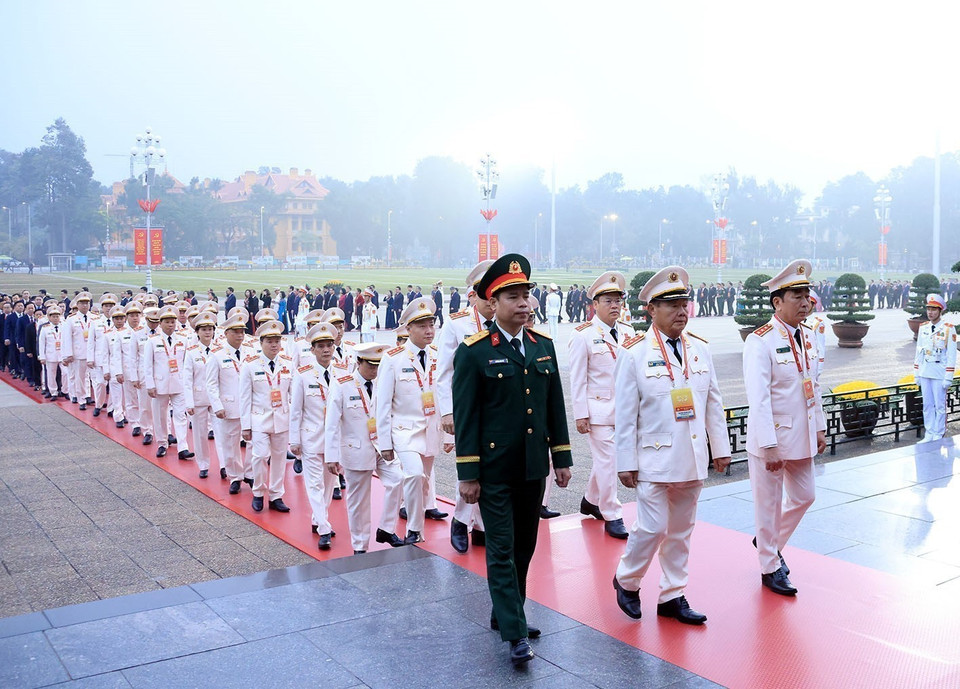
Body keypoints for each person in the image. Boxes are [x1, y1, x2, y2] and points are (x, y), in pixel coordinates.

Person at [452, 253, 573, 667]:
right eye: (514, 297)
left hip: (531, 467)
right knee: (501, 546)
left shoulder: (544, 347)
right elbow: (466, 417)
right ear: (493, 302)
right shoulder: (474, 353)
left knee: (525, 545)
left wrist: (561, 456)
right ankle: (515, 630)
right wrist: (467, 472)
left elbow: (554, 406)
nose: (525, 304)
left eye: (527, 296)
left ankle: (506, 610)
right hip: (493, 469)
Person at [611, 266, 731, 625]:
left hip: (692, 456)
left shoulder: (701, 349)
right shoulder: (633, 352)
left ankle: (672, 595)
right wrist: (624, 461)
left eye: (685, 303)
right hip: (654, 456)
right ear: (651, 309)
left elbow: (713, 401)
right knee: (652, 526)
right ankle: (627, 579)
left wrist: (720, 447)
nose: (681, 311)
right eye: (672, 304)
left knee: (680, 530)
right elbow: (625, 412)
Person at [744, 259, 827, 596]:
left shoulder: (808, 337)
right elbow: (759, 399)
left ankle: (769, 540)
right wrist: (769, 444)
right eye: (797, 295)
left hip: (803, 433)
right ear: (778, 301)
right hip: (773, 439)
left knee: (805, 496)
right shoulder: (760, 341)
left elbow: (814, 386)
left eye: (807, 294)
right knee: (768, 504)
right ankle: (769, 566)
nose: (806, 301)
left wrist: (819, 427)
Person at [568, 271, 634, 540]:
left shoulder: (629, 332)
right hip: (598, 412)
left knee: (605, 462)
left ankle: (590, 500)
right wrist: (580, 415)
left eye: (618, 300)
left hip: (625, 411)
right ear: (594, 305)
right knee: (609, 462)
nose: (615, 305)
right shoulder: (583, 335)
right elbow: (577, 379)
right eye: (608, 301)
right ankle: (612, 513)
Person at [324, 341, 406, 553]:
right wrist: (331, 456)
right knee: (359, 501)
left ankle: (386, 529)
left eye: (378, 365)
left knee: (398, 479)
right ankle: (359, 546)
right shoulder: (342, 384)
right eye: (370, 365)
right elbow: (332, 423)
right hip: (355, 448)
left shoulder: (383, 381)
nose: (375, 370)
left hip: (381, 446)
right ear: (358, 362)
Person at [437, 259, 494, 553]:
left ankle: (480, 524)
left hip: (499, 408)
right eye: (486, 295)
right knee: (472, 467)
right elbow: (444, 371)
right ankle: (461, 520)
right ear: (473, 295)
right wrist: (447, 411)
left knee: (492, 469)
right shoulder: (456, 323)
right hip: (468, 409)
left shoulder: (506, 320)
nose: (492, 301)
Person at [376, 296, 443, 544]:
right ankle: (414, 529)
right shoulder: (393, 358)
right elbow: (381, 404)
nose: (429, 331)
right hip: (403, 430)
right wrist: (384, 442)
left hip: (431, 431)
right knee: (413, 475)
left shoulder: (439, 355)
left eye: (431, 324)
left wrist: (448, 434)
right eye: (422, 326)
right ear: (408, 329)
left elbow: (446, 397)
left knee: (423, 483)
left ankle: (404, 529)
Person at [289, 323, 340, 549]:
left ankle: (319, 518)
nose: (326, 350)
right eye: (321, 346)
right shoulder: (303, 375)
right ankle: (324, 528)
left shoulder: (342, 373)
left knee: (329, 483)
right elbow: (296, 410)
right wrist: (294, 440)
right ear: (313, 350)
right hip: (310, 437)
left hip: (334, 440)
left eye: (329, 345)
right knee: (314, 483)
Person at [239, 319, 293, 513]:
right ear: (261, 342)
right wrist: (245, 426)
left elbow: (293, 395)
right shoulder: (250, 365)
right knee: (260, 456)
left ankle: (276, 495)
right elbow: (244, 397)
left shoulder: (288, 363)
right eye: (269, 341)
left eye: (277, 340)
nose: (274, 345)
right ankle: (259, 492)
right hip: (259, 419)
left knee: (279, 459)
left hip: (281, 419)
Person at [207, 314, 255, 491]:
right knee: (230, 443)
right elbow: (211, 384)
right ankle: (235, 476)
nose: (240, 335)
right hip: (229, 406)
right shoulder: (217, 355)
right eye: (236, 332)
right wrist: (217, 405)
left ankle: (250, 474)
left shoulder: (251, 353)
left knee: (253, 442)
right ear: (226, 333)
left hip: (251, 406)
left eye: (242, 331)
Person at [144, 306, 193, 460]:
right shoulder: (152, 341)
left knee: (180, 415)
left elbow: (186, 364)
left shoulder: (183, 340)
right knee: (160, 416)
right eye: (167, 322)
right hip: (160, 385)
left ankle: (183, 447)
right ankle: (162, 443)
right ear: (160, 323)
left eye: (173, 322)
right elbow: (147, 365)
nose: (171, 325)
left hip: (178, 383)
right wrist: (150, 384)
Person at [915, 294, 956, 442]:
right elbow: (918, 351)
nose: (930, 312)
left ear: (940, 311)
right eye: (928, 309)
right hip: (925, 371)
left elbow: (951, 355)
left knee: (939, 406)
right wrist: (916, 373)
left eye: (934, 309)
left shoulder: (948, 329)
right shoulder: (923, 327)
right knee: (927, 405)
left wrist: (948, 377)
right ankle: (929, 433)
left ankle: (938, 433)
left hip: (939, 373)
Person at [183, 312, 218, 478]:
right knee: (200, 434)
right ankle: (203, 464)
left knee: (222, 433)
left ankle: (225, 465)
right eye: (204, 329)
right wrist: (188, 402)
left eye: (210, 329)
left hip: (217, 398)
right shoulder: (191, 352)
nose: (207, 332)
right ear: (197, 332)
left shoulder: (220, 350)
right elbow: (187, 379)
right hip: (199, 398)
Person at [38, 304, 70, 398]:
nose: (56, 318)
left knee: (66, 373)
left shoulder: (64, 326)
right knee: (51, 374)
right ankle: (53, 392)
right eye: (54, 316)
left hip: (62, 354)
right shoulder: (45, 328)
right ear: (49, 317)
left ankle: (65, 390)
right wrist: (42, 356)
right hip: (50, 355)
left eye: (57, 316)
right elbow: (41, 343)